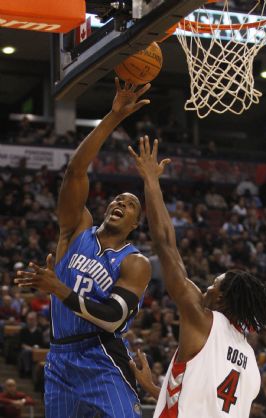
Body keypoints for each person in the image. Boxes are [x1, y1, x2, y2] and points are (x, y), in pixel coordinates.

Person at [15, 80, 152, 418]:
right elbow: (76, 171)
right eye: (118, 199)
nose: (121, 201)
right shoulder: (76, 229)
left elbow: (113, 318)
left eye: (131, 204)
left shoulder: (135, 262)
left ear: (136, 223)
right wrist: (113, 117)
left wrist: (58, 288)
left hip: (101, 357)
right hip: (59, 359)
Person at [128, 137, 266, 418]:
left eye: (213, 285)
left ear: (222, 298)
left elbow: (166, 246)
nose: (205, 288)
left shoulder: (203, 320)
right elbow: (200, 405)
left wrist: (151, 182)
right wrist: (153, 388)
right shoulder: (251, 363)